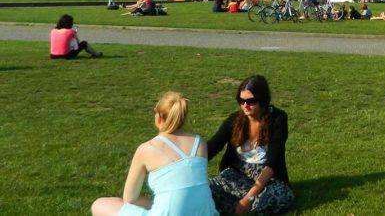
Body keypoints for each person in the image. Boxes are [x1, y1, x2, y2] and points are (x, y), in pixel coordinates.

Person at [92, 93, 216, 216]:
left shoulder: (147, 149)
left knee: (100, 204)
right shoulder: (199, 143)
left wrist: (155, 204)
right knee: (116, 202)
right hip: (206, 212)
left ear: (158, 117)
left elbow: (130, 198)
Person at [208, 75, 294, 214]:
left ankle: (242, 206)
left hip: (267, 177)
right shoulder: (235, 119)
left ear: (262, 100)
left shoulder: (278, 118)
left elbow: (274, 162)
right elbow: (213, 146)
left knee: (282, 196)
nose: (245, 105)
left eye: (251, 101)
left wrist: (248, 198)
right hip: (237, 174)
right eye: (241, 101)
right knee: (206, 190)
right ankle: (240, 207)